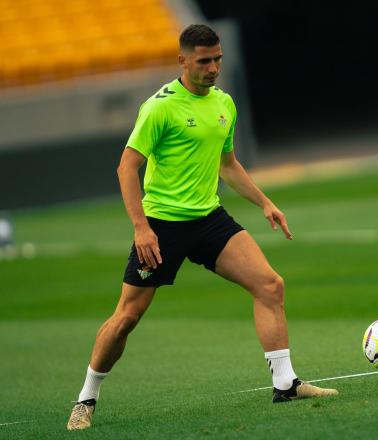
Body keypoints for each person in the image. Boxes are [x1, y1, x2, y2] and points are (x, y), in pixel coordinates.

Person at [66, 24, 338, 431]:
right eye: (204, 61)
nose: (213, 68)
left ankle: (285, 384)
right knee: (126, 317)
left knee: (270, 285)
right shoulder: (159, 107)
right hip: (162, 226)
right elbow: (126, 167)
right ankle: (85, 400)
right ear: (183, 61)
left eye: (218, 60)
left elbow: (227, 165)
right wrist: (142, 228)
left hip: (209, 220)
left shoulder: (225, 103)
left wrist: (265, 203)